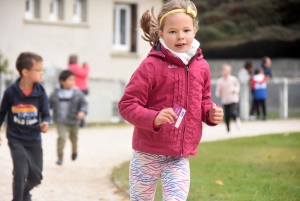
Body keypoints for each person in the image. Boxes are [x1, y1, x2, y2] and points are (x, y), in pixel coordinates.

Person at [118, 0, 223, 200]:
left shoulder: (202, 67)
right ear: (161, 34)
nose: (180, 36)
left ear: (194, 30)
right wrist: (154, 117)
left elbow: (203, 101)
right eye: (173, 31)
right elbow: (127, 105)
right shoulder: (150, 66)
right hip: (146, 153)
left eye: (186, 30)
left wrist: (210, 112)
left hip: (179, 156)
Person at [0, 52, 50, 201]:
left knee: (36, 177)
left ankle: (24, 193)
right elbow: (2, 113)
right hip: (16, 138)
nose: (42, 73)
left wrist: (45, 123)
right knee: (20, 172)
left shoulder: (40, 92)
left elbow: (46, 114)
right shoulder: (10, 92)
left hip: (34, 139)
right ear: (25, 72)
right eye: (39, 70)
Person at [49, 70, 88, 165]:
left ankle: (74, 150)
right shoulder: (55, 93)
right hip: (60, 120)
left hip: (74, 120)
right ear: (62, 81)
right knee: (62, 137)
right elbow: (48, 104)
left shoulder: (77, 93)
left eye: (73, 80)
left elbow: (84, 104)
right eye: (70, 80)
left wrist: (82, 112)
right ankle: (60, 157)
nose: (72, 82)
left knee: (73, 137)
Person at [216, 64, 241, 137]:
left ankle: (236, 119)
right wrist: (219, 93)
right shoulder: (220, 81)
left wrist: (235, 90)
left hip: (233, 99)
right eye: (224, 70)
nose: (226, 72)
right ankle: (228, 131)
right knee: (226, 117)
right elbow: (217, 92)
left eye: (227, 70)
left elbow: (238, 87)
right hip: (225, 100)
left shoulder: (233, 79)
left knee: (232, 112)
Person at [68, 55, 89, 127]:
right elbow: (84, 73)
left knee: (77, 106)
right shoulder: (75, 67)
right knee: (81, 106)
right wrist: (86, 67)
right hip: (80, 88)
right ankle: (81, 123)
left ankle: (80, 122)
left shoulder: (69, 67)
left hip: (75, 88)